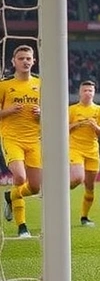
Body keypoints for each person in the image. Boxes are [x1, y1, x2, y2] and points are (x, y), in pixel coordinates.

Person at [1, 45, 42, 238]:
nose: (25, 61)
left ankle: (10, 196)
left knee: (34, 187)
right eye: (21, 58)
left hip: (34, 140)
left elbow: (53, 114)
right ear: (13, 62)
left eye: (28, 58)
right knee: (19, 177)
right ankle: (22, 226)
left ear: (34, 61)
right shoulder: (4, 85)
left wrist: (43, 113)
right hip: (11, 138)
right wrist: (7, 111)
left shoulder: (41, 84)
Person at [68, 80, 100, 227]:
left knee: (90, 186)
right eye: (85, 90)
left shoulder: (99, 110)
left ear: (94, 93)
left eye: (90, 91)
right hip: (75, 149)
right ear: (80, 92)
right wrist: (77, 124)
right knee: (78, 178)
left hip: (92, 151)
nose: (88, 93)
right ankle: (59, 188)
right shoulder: (71, 110)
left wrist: (96, 127)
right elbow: (62, 128)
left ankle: (84, 218)